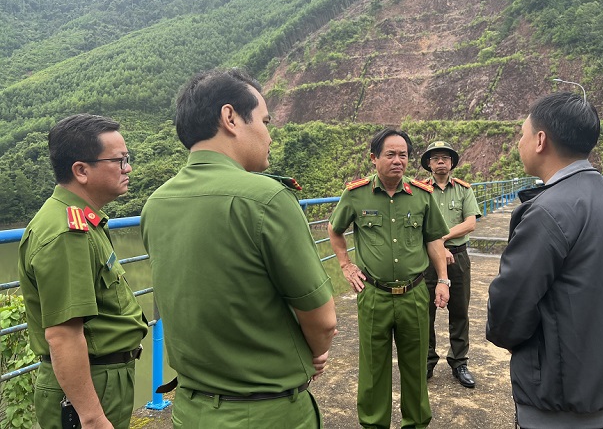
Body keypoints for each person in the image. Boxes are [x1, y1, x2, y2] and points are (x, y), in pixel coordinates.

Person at [141, 69, 336, 428]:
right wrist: (314, 354)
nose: (270, 135)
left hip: (190, 411)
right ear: (230, 117)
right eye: (264, 120)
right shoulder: (268, 198)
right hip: (268, 414)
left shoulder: (155, 204)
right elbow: (322, 320)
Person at [486, 92, 603, 429]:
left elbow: (508, 311)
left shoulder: (546, 212)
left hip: (562, 403)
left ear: (540, 140)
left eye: (523, 134)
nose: (519, 143)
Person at [18, 114, 148, 429]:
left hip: (103, 378)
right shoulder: (66, 233)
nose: (127, 168)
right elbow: (63, 335)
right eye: (119, 161)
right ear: (81, 170)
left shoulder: (84, 220)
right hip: (91, 386)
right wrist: (91, 417)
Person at [328, 128, 451, 429]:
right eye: (390, 154)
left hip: (415, 293)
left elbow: (434, 240)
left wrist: (444, 280)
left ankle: (416, 423)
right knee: (373, 369)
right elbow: (334, 229)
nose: (398, 160)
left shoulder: (422, 195)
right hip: (374, 295)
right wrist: (346, 265)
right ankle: (374, 424)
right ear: (374, 158)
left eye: (403, 155)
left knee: (416, 367)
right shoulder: (356, 194)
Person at [419, 141, 481, 388]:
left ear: (452, 163)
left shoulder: (464, 190)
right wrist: (435, 246)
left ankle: (459, 362)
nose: (441, 161)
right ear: (429, 165)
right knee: (425, 312)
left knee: (460, 311)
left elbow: (470, 223)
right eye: (436, 158)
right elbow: (419, 223)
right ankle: (426, 361)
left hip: (458, 256)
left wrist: (441, 238)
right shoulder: (420, 190)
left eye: (445, 157)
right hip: (426, 260)